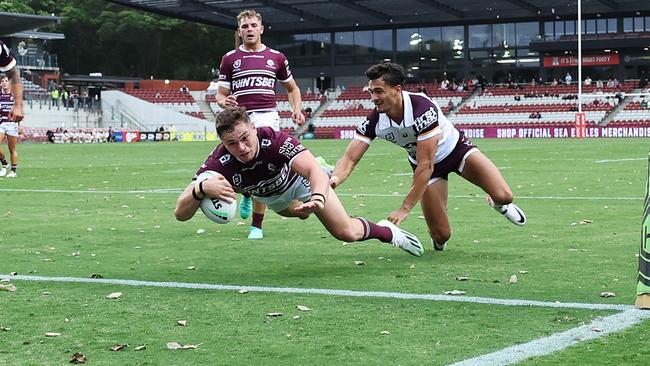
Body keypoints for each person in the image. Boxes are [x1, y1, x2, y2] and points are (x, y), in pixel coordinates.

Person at [329, 62, 526, 252]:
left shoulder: (422, 108)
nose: (373, 97)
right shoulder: (374, 119)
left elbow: (426, 164)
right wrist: (334, 181)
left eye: (379, 91)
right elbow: (349, 158)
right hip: (428, 168)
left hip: (456, 151)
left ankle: (498, 205)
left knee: (505, 196)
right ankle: (439, 232)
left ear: (397, 90)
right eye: (371, 91)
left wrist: (405, 208)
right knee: (441, 237)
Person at [174, 107, 423, 257]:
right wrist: (200, 189)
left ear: (253, 128)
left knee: (345, 232)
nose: (241, 147)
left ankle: (387, 232)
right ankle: (253, 194)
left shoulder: (273, 139)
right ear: (222, 142)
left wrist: (318, 196)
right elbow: (180, 213)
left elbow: (312, 170)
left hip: (300, 182)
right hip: (272, 197)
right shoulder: (219, 161)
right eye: (231, 143)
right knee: (301, 214)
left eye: (245, 138)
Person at [216, 9, 306, 240]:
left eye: (253, 25)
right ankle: (246, 191)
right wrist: (224, 101)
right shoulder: (230, 59)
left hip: (267, 117)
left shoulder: (277, 57)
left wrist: (296, 109)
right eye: (244, 26)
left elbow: (292, 88)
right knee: (245, 165)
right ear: (239, 31)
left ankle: (257, 225)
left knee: (265, 164)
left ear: (261, 29)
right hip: (239, 119)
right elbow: (220, 94)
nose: (249, 30)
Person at [0, 43, 24, 178]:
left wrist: (19, 105)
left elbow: (13, 72)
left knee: (11, 148)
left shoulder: (0, 48)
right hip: (2, 123)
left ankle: (13, 170)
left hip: (10, 123)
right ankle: (4, 164)